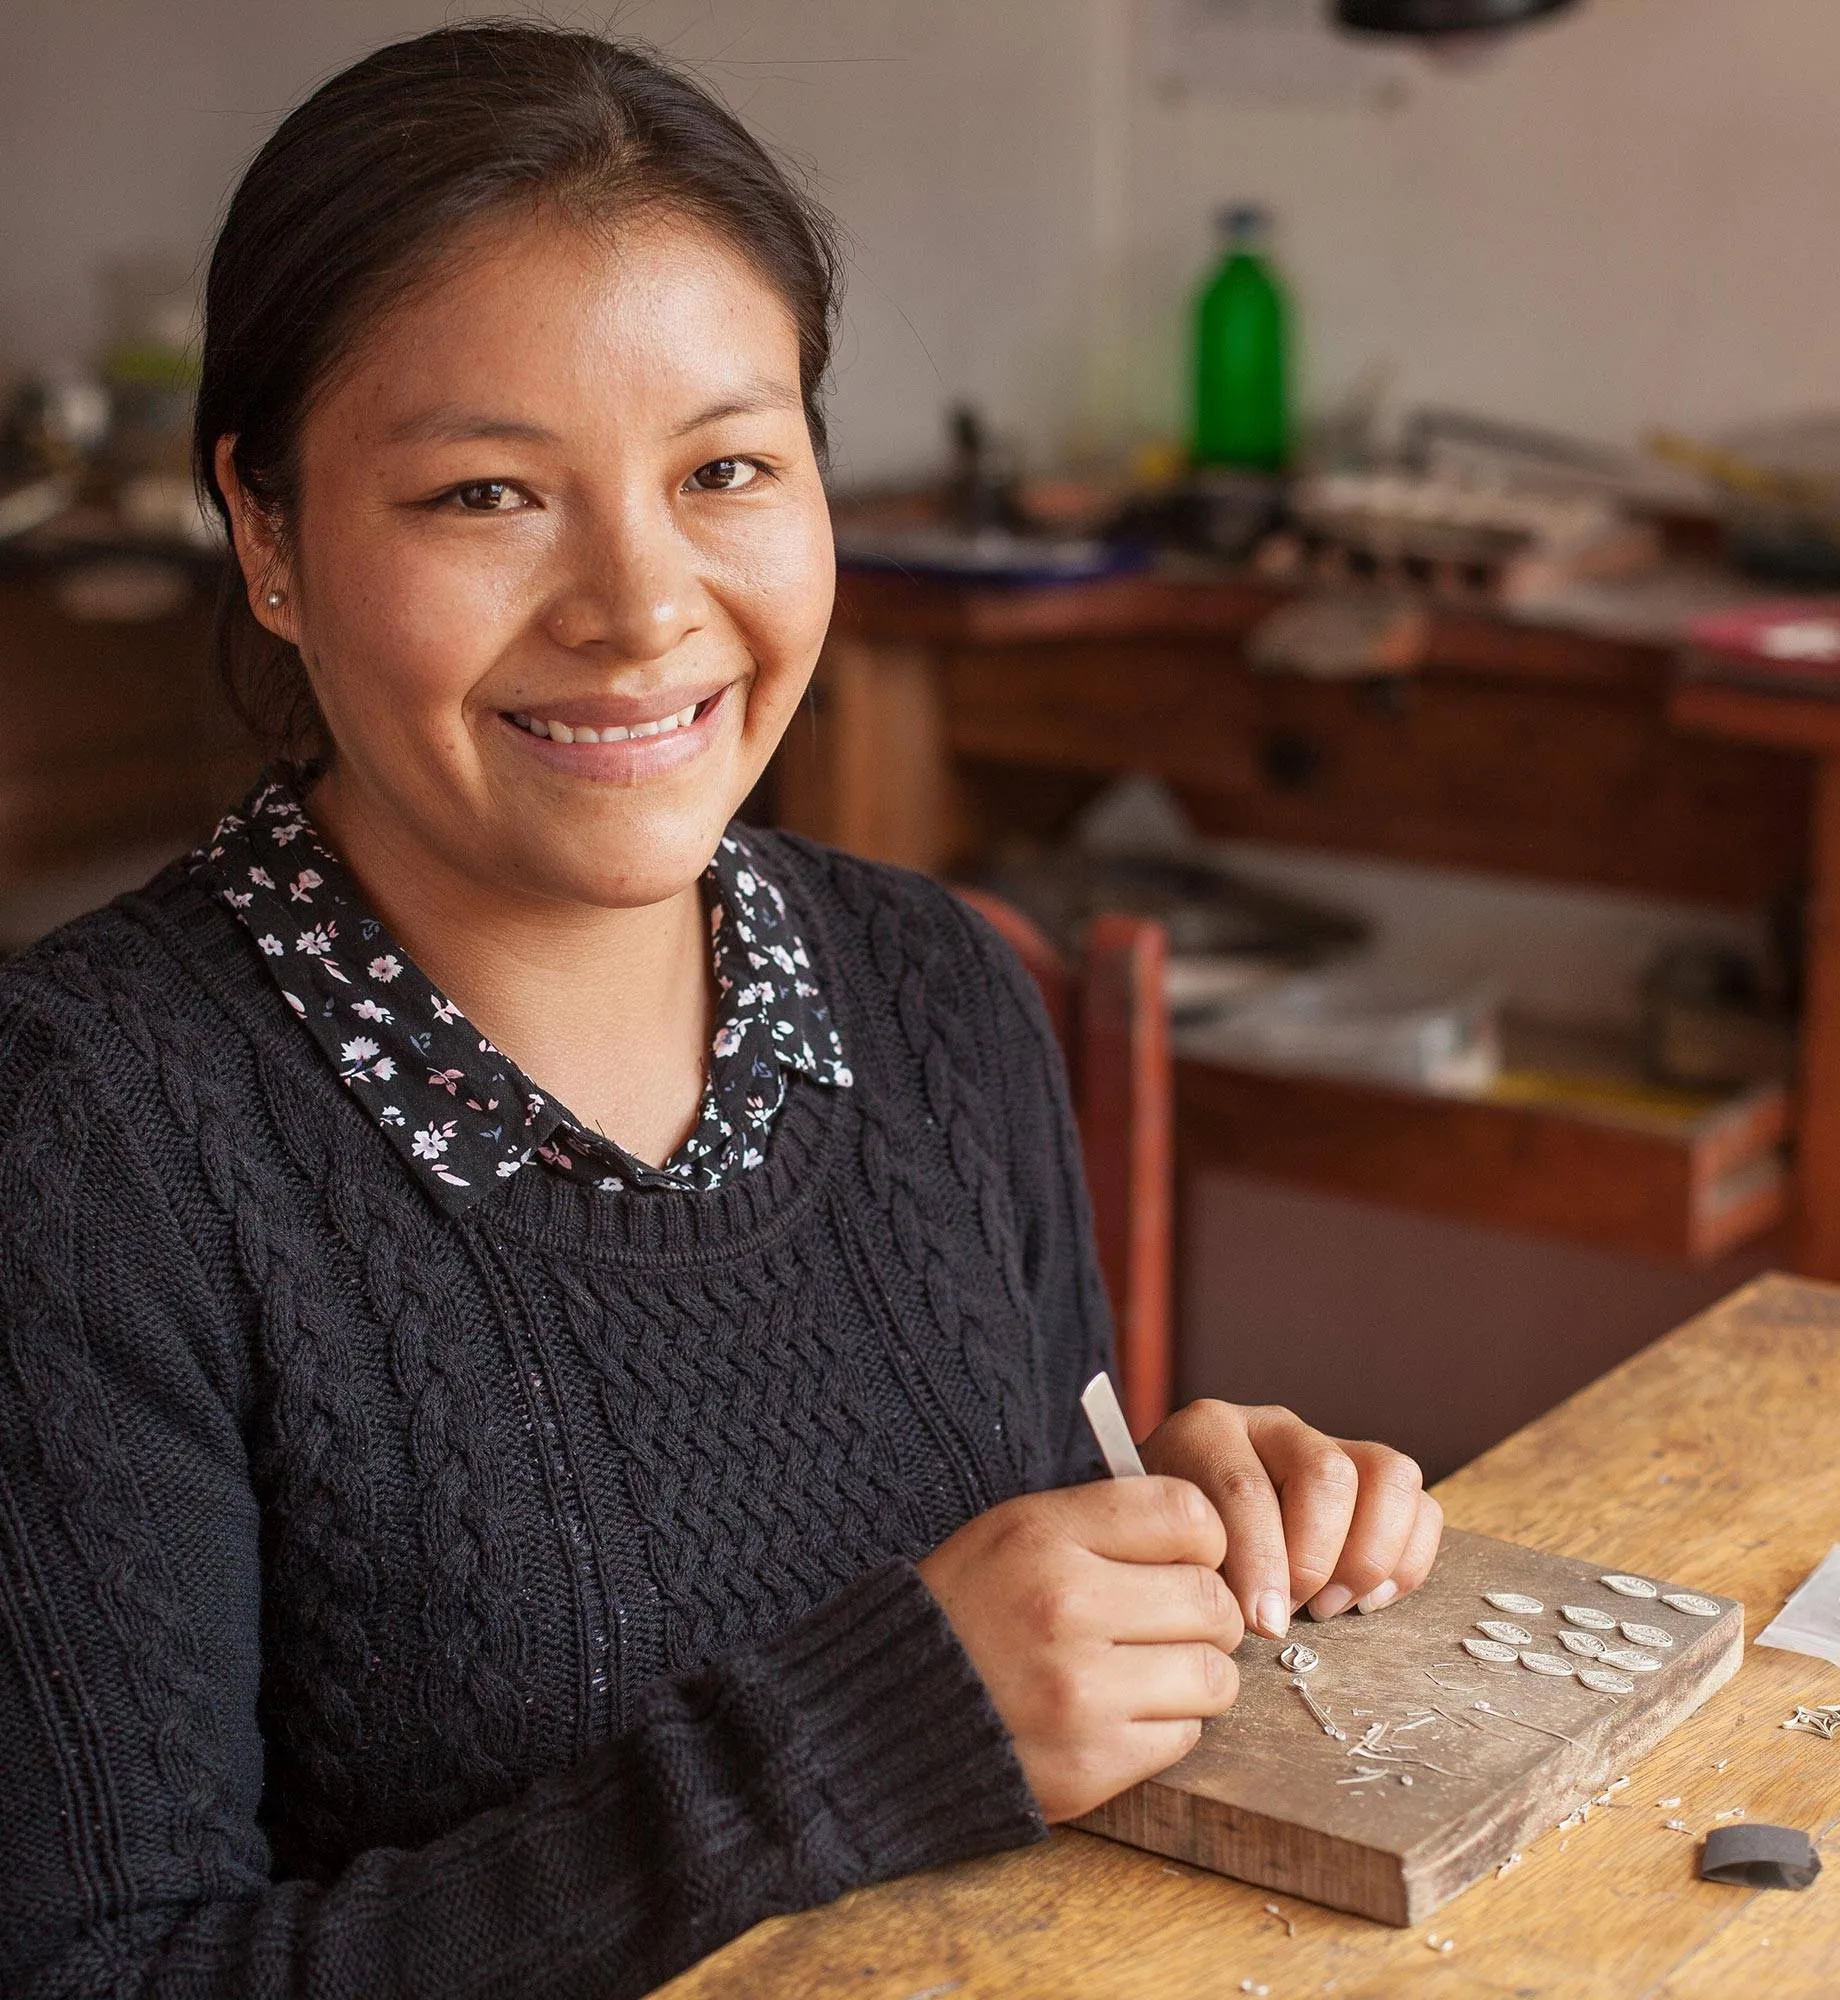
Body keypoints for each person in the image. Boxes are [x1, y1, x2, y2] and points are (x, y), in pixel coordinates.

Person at [0, 24, 1442, 1998]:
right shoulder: (91, 1144)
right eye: (490, 494)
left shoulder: (931, 990)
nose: (642, 603)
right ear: (266, 530)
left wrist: (1184, 1546)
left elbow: (1019, 1635)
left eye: (726, 469)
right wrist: (862, 1737)